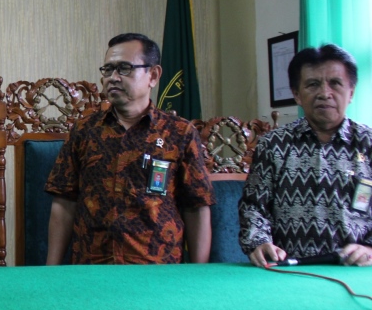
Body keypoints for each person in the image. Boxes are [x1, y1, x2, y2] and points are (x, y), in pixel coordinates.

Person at [45, 33, 214, 265]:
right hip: (92, 268)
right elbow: (64, 203)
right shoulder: (84, 131)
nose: (113, 78)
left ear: (153, 75)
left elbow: (197, 207)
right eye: (108, 69)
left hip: (157, 270)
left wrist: (198, 274)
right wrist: (51, 270)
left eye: (124, 68)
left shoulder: (179, 133)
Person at [240, 44, 372, 267]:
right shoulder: (274, 144)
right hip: (290, 268)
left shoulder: (368, 143)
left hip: (356, 268)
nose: (324, 93)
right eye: (313, 84)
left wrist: (369, 249)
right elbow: (253, 207)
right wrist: (259, 243)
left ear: (351, 92)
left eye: (335, 83)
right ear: (297, 94)